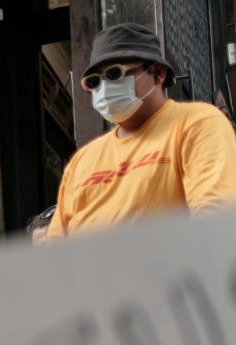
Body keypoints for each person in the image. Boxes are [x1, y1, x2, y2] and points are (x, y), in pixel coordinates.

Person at [49, 23, 236, 239]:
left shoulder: (196, 124)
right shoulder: (81, 162)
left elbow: (214, 217)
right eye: (94, 81)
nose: (104, 88)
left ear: (157, 73)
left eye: (114, 73)